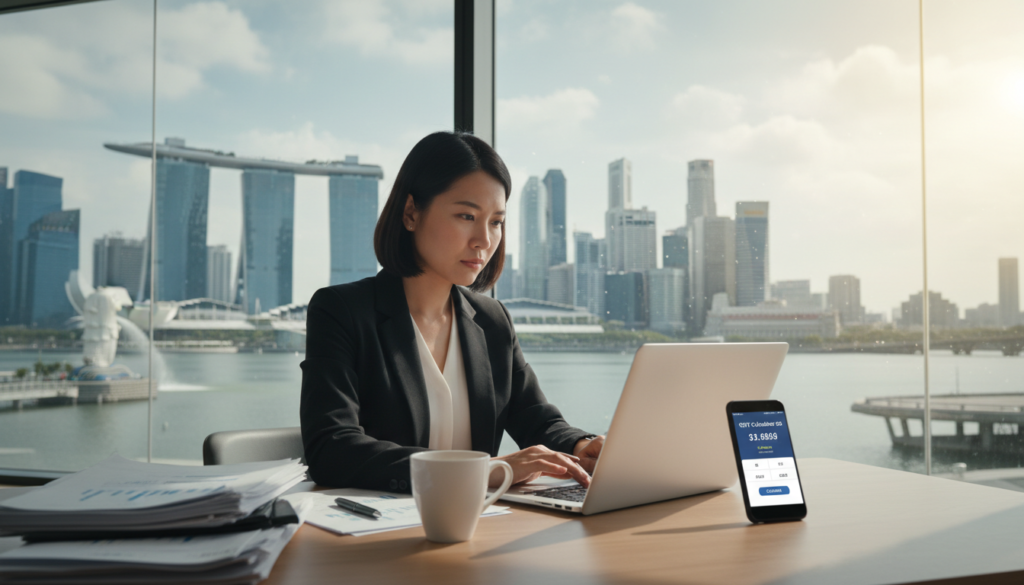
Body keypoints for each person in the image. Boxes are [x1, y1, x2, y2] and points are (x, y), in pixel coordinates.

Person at [300, 131, 605, 493]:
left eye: (496, 221)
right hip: (376, 531)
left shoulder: (492, 320)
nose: (484, 240)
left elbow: (534, 417)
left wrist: (582, 446)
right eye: (466, 215)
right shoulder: (342, 311)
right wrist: (484, 470)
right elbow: (332, 448)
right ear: (411, 213)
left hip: (476, 529)